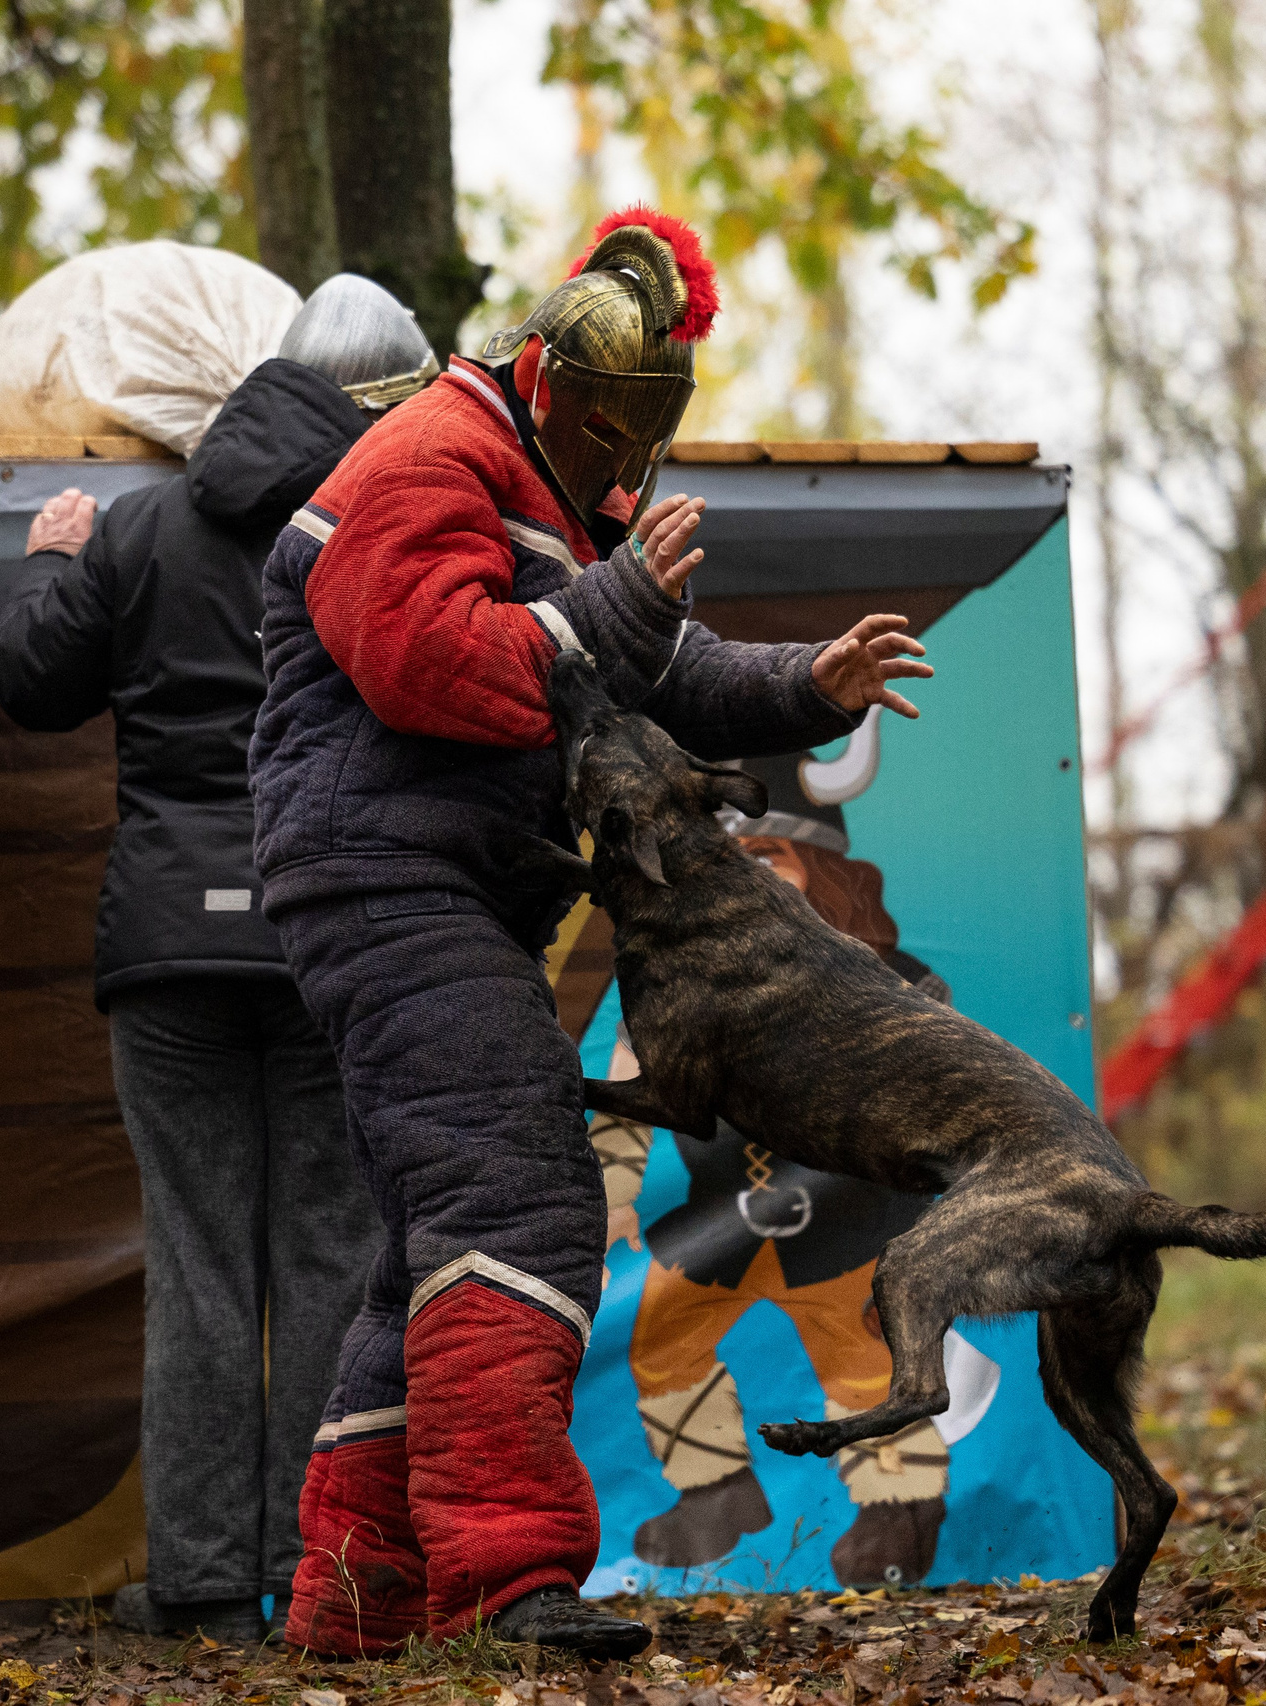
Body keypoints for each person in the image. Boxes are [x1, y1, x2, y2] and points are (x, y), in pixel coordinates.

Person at [248, 208, 940, 1659]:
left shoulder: (556, 490)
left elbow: (670, 670)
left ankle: (357, 1603)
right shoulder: (431, 453)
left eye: (647, 435)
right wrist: (616, 605)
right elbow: (430, 663)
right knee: (523, 1206)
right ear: (564, 391)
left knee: (431, 1247)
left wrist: (811, 681)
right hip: (386, 884)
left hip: (436, 890)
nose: (630, 466)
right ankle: (513, 1585)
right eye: (617, 432)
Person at [0, 275, 439, 1643]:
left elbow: (30, 684)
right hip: (321, 936)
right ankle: (323, 1578)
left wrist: (54, 564)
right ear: (379, 402)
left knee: (194, 1259)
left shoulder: (143, 526)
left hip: (171, 948)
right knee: (327, 1250)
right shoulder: (378, 531)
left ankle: (193, 1580)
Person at [595, 750, 966, 1587]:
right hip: (710, 1229)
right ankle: (717, 1494)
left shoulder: (901, 986)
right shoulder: (668, 991)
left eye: (770, 859)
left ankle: (898, 1513)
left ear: (824, 872)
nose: (750, 882)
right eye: (729, 864)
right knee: (659, 1349)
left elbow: (953, 1094)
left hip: (851, 1237)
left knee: (871, 1368)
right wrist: (614, 1192)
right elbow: (626, 1096)